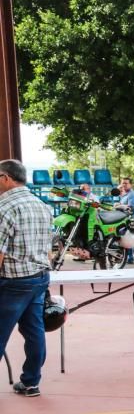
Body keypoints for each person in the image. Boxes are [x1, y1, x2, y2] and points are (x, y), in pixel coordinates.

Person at [0, 159, 53, 398]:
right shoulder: (41, 205)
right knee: (34, 332)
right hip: (39, 277)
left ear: (5, 178)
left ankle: (31, 381)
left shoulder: (4, 208)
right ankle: (31, 381)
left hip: (13, 281)